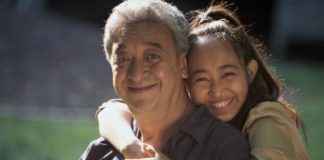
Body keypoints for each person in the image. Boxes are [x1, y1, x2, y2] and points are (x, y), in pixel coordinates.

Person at [97, 3, 309, 160]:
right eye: (201, 78)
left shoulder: (266, 119)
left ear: (250, 72)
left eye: (227, 74)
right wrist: (129, 145)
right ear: (186, 75)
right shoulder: (110, 144)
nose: (216, 90)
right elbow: (111, 110)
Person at [80, 0, 249, 160]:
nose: (136, 74)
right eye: (123, 59)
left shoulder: (223, 147)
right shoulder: (100, 151)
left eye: (152, 57)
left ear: (183, 65)